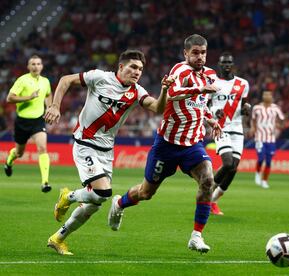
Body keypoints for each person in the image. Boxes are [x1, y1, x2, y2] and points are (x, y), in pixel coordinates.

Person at [44, 49, 176, 255]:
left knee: (95, 203)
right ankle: (68, 197)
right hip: (85, 143)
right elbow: (65, 80)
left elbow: (157, 108)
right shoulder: (100, 77)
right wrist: (54, 105)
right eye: (133, 67)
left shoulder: (137, 92)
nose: (137, 72)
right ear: (121, 66)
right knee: (103, 192)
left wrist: (165, 91)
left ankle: (58, 238)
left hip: (107, 151)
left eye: (140, 69)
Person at [107, 34, 222, 254]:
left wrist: (209, 117)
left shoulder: (209, 74)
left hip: (192, 144)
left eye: (203, 52)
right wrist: (199, 90)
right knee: (146, 193)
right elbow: (172, 95)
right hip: (167, 145)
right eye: (195, 53)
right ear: (185, 53)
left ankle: (196, 236)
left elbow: (199, 103)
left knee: (208, 180)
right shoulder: (180, 71)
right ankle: (119, 204)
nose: (200, 57)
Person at [207, 52, 250, 215]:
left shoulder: (243, 83)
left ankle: (213, 201)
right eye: (224, 63)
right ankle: (208, 191)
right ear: (219, 64)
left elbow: (245, 105)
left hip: (237, 129)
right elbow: (206, 105)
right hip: (221, 127)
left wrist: (248, 109)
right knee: (227, 163)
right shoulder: (213, 83)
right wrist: (214, 111)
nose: (226, 65)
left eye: (229, 62)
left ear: (233, 64)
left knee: (233, 168)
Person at [4, 55, 53, 193]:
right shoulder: (22, 80)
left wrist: (49, 108)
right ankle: (9, 162)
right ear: (28, 66)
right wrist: (28, 97)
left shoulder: (45, 82)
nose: (36, 66)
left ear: (42, 66)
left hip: (38, 120)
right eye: (33, 64)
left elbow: (48, 94)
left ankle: (45, 182)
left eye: (38, 64)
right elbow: (9, 98)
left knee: (43, 148)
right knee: (19, 153)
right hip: (22, 121)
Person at [249, 90, 285, 188]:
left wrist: (279, 126)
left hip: (271, 138)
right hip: (259, 137)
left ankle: (264, 180)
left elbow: (282, 120)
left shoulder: (276, 108)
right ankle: (257, 173)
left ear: (272, 96)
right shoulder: (257, 108)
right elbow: (253, 119)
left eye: (268, 94)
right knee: (260, 158)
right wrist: (253, 128)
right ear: (262, 96)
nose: (267, 96)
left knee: (269, 161)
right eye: (265, 94)